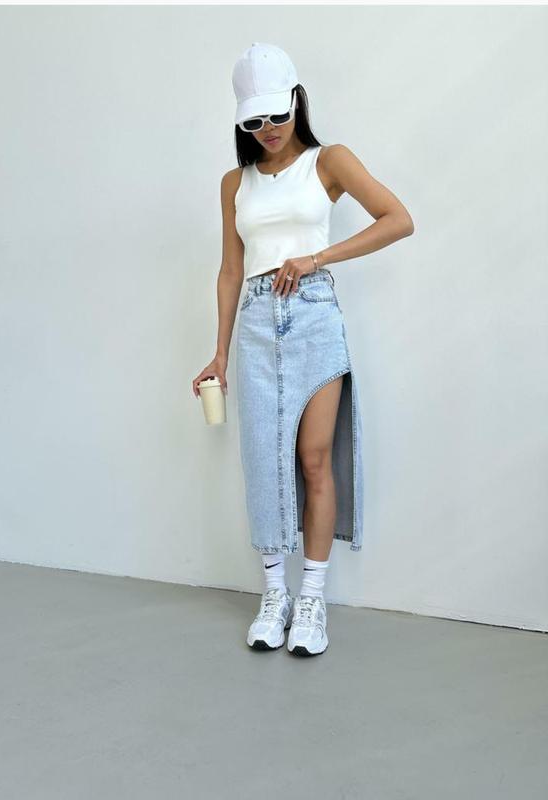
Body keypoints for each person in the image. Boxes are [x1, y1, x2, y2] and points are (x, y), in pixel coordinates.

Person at [192, 42, 414, 656]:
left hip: (314, 315)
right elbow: (230, 271)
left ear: (297, 101)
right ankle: (275, 595)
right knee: (264, 462)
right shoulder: (234, 183)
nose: (268, 129)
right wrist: (219, 353)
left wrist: (316, 257)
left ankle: (312, 598)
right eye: (254, 121)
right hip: (257, 323)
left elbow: (397, 218)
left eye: (277, 115)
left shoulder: (329, 161)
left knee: (314, 459)